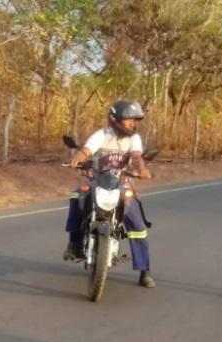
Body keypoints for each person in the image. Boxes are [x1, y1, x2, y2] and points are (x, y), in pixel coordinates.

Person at [63, 100, 156, 288]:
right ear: (115, 120)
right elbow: (86, 151)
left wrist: (142, 170)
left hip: (121, 183)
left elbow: (137, 157)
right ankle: (73, 242)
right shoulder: (102, 135)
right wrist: (78, 159)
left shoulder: (134, 139)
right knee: (77, 196)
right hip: (96, 179)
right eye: (129, 120)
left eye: (134, 121)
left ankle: (144, 270)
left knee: (137, 222)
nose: (133, 124)